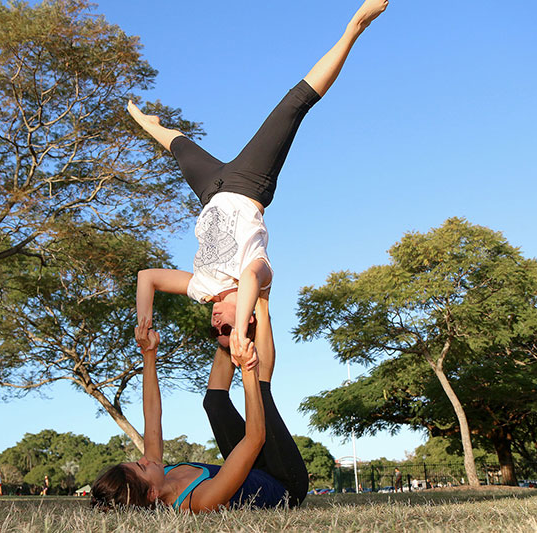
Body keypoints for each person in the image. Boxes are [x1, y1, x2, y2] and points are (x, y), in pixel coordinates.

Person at [131, 0, 389, 358]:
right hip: (250, 183)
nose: (217, 322)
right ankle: (356, 26)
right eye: (226, 327)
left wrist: (144, 321)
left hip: (210, 190)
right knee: (294, 105)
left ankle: (151, 125)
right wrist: (239, 333)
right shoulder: (260, 274)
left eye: (215, 329)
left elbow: (148, 277)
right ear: (248, 318)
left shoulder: (202, 288)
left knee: (178, 147)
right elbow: (250, 279)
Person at [91, 291, 307, 512]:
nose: (145, 459)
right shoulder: (199, 500)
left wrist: (149, 354)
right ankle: (261, 298)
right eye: (141, 467)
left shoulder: (158, 473)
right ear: (152, 493)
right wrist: (248, 368)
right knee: (260, 391)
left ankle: (233, 325)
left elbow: (152, 413)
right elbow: (255, 439)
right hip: (286, 483)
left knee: (214, 402)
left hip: (255, 468)